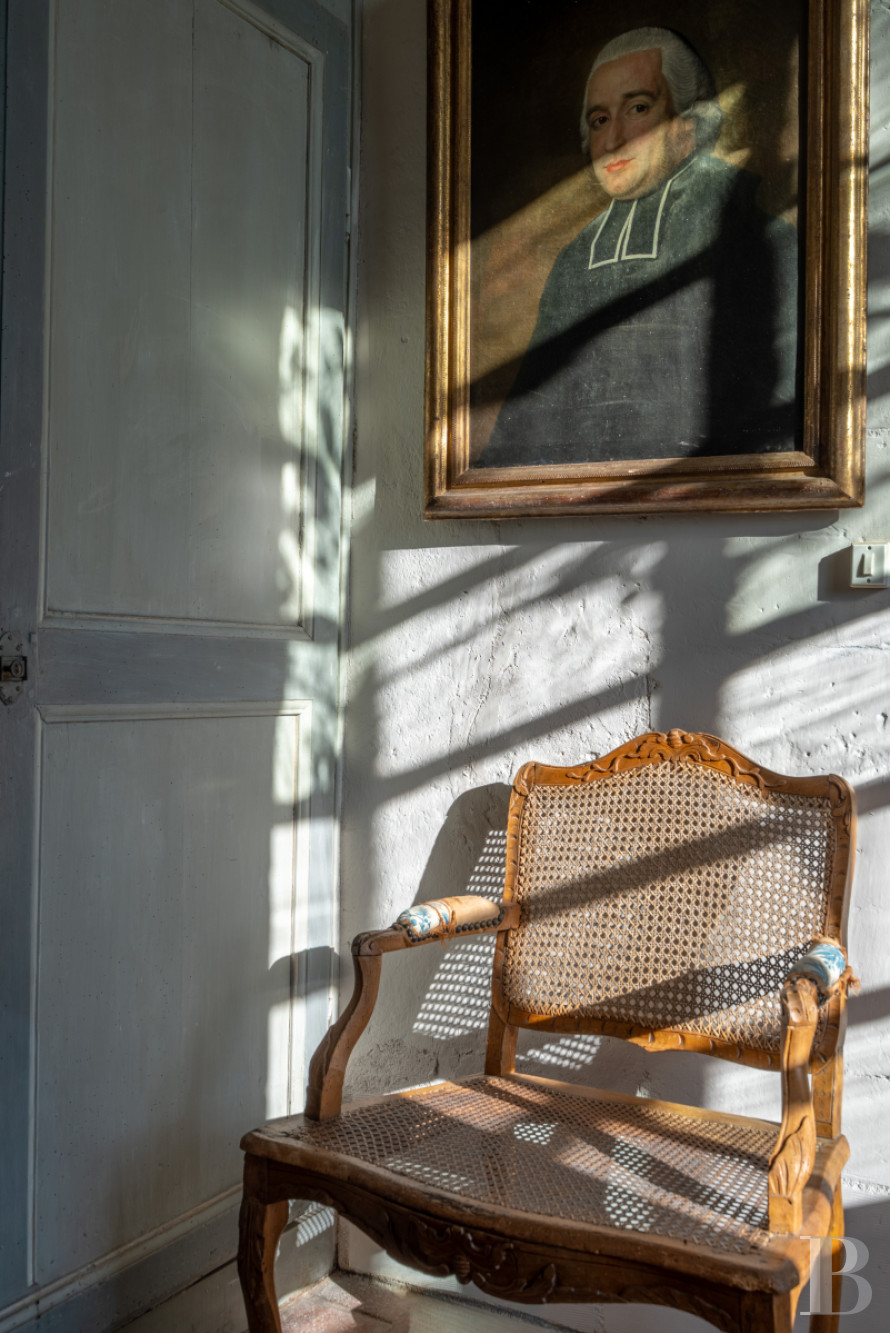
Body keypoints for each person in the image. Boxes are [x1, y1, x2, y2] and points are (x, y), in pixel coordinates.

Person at [474, 27, 799, 467]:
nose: (613, 140)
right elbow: (530, 419)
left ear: (687, 125)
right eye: (600, 120)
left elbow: (781, 415)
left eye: (638, 108)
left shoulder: (755, 234)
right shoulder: (577, 259)